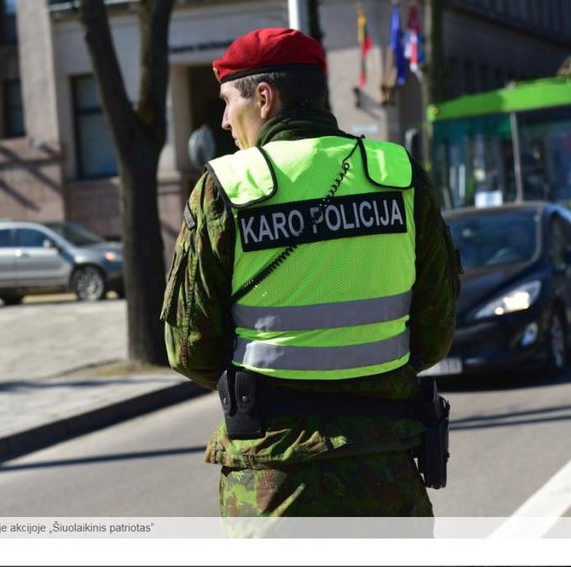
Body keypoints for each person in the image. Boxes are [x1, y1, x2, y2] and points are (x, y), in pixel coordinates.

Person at [161, 27, 461, 521]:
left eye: (227, 101)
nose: (223, 120)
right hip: (387, 470)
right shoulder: (398, 174)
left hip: (275, 480)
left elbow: (188, 347)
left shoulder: (228, 186)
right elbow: (435, 330)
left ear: (263, 97)